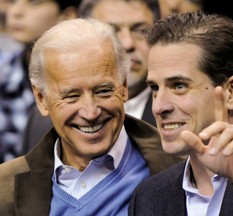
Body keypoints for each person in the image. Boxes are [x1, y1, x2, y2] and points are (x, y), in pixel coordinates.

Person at [0, 18, 182, 215]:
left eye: (103, 91)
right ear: (41, 98)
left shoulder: (182, 169)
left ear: (124, 87)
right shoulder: (5, 187)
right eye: (72, 96)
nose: (91, 112)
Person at [129, 11, 233, 215]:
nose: (159, 107)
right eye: (155, 88)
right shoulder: (148, 197)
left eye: (179, 86)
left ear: (232, 92)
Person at [21, 0, 160, 154]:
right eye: (112, 31)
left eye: (141, 30)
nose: (127, 44)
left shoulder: (177, 114)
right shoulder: (40, 123)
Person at [0, 0, 81, 162]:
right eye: (13, 1)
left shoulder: (85, 79)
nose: (16, 12)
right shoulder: (4, 75)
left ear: (68, 15)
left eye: (34, 2)